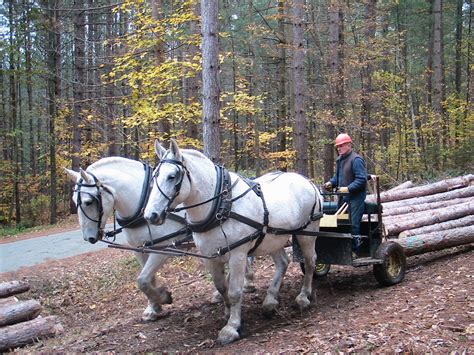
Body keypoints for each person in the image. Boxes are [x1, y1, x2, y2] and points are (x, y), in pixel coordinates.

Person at [324, 133, 367, 255]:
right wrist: (330, 183)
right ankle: (342, 249)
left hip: (356, 198)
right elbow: (337, 178)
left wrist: (347, 189)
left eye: (341, 145)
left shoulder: (356, 159)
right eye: (338, 146)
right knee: (340, 222)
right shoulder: (340, 160)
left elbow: (361, 179)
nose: (339, 148)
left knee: (353, 224)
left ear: (349, 145)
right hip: (344, 197)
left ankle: (355, 250)